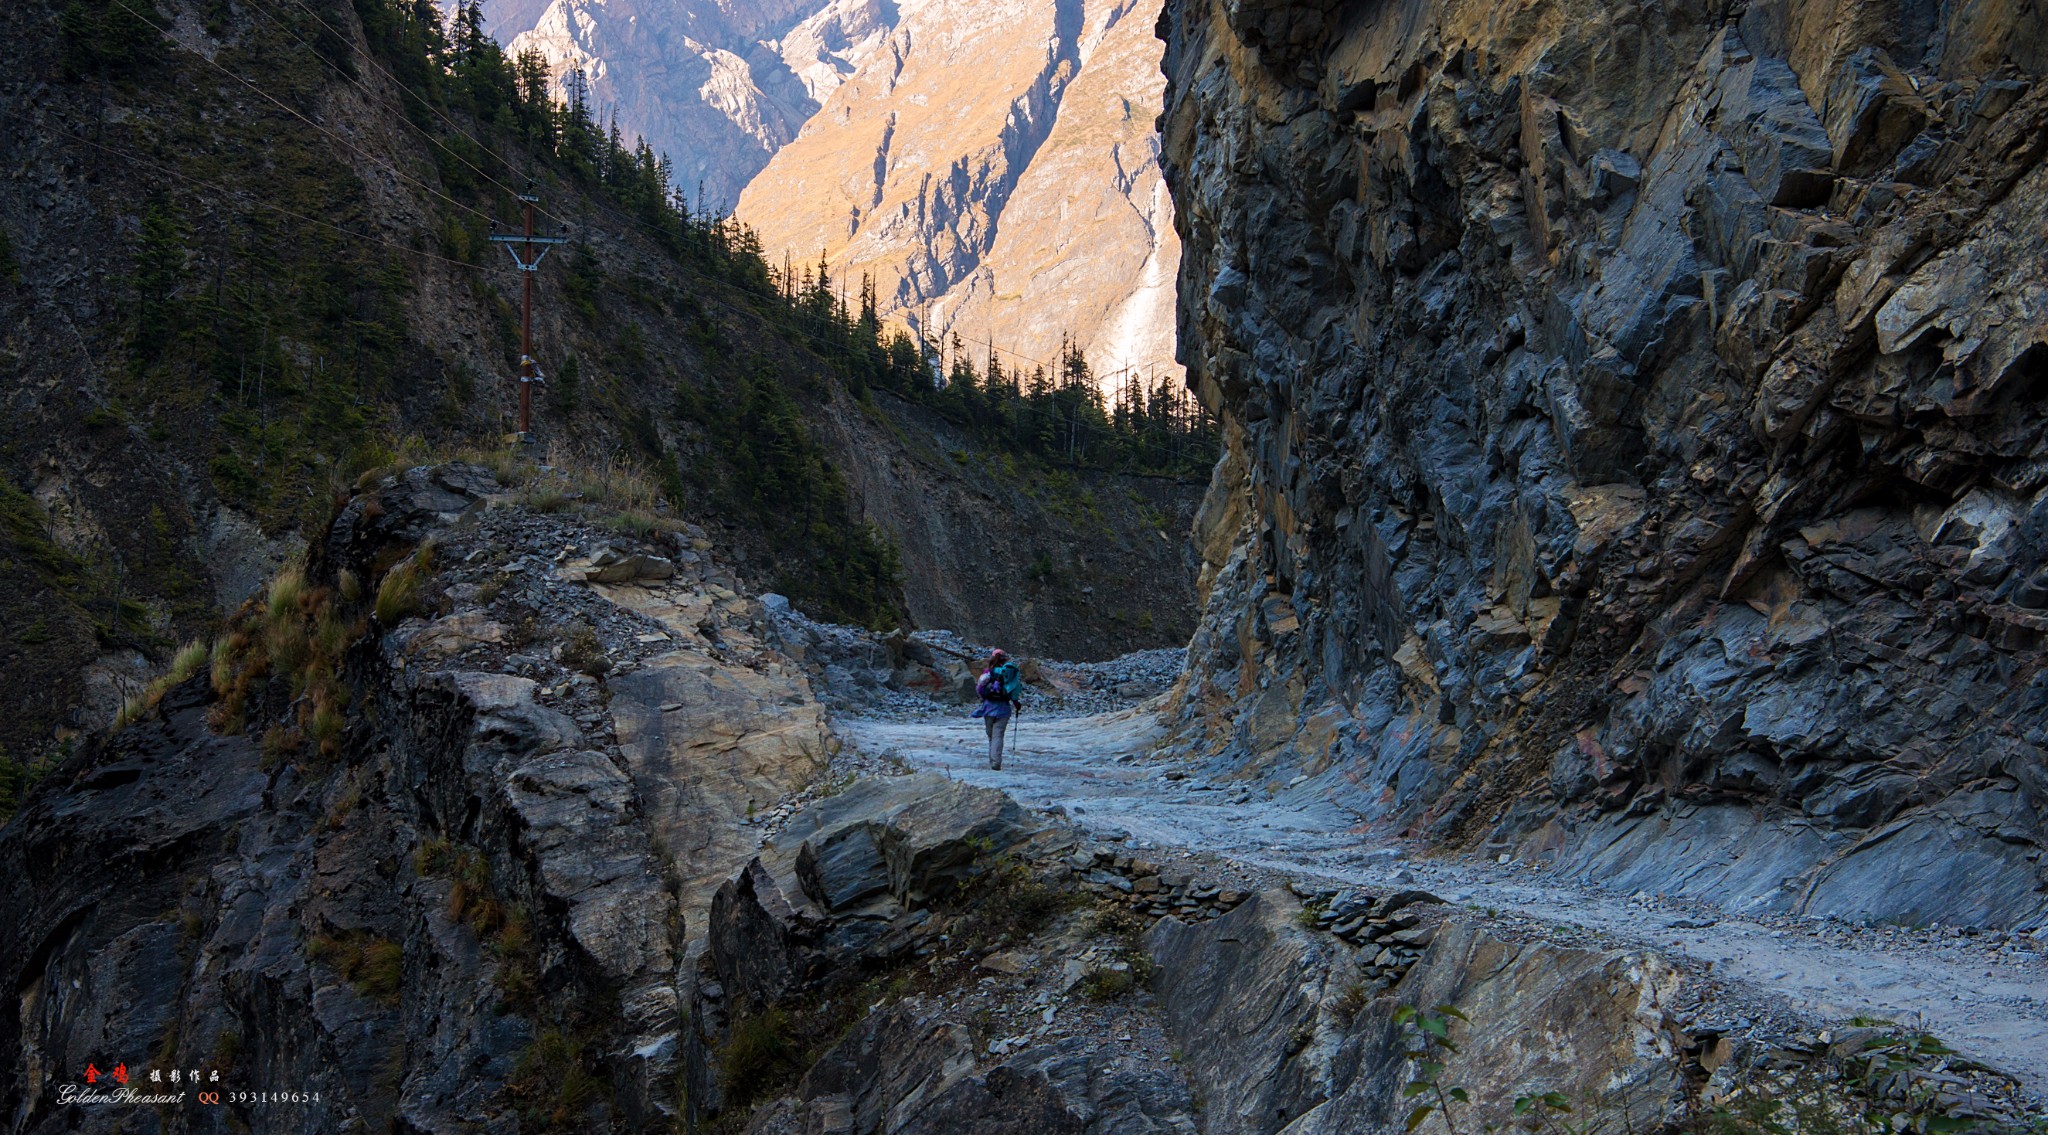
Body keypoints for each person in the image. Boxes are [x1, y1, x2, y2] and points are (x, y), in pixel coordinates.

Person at [971, 648, 1023, 770]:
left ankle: (992, 759)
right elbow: (1015, 689)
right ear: (1005, 659)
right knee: (998, 735)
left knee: (991, 735)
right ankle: (996, 762)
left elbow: (979, 688)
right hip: (1003, 708)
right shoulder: (1009, 673)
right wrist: (1016, 703)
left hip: (988, 707)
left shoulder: (988, 672)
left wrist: (983, 699)